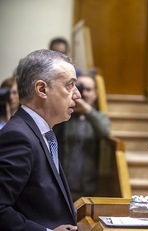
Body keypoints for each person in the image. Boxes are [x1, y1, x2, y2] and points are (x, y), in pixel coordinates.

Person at [0, 49, 81, 231]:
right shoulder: (19, 137)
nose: (77, 94)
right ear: (42, 89)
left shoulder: (41, 132)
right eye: (69, 85)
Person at [54, 74, 110, 201]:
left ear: (96, 93)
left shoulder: (97, 117)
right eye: (80, 88)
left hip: (87, 187)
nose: (84, 93)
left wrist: (86, 109)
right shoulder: (65, 116)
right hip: (61, 185)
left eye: (88, 90)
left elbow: (105, 131)